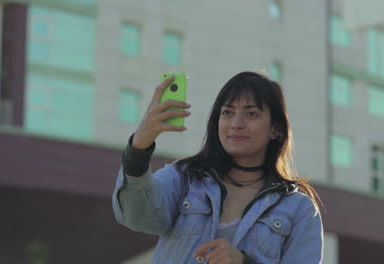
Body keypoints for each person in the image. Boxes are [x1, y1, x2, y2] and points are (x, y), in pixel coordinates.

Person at [112, 72, 323, 264]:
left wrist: (243, 262)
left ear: (275, 129)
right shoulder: (185, 177)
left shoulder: (299, 209)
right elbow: (136, 216)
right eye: (227, 113)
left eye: (251, 114)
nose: (236, 123)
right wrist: (139, 147)